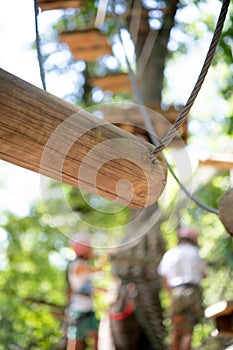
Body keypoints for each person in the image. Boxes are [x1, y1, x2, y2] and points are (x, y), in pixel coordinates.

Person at [158, 227, 207, 350]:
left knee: (176, 329)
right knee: (188, 331)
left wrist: (171, 294)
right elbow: (204, 274)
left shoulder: (170, 254)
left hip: (176, 293)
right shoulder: (196, 253)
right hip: (192, 293)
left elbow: (164, 278)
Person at [66, 232, 99, 350]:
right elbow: (96, 270)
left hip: (88, 308)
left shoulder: (82, 265)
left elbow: (91, 287)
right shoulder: (78, 265)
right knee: (76, 342)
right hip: (78, 310)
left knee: (96, 339)